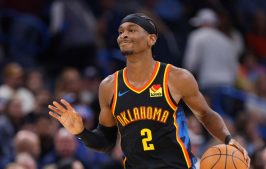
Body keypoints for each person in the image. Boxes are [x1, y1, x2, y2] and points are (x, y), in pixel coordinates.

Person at [48, 13, 250, 169]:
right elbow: (105, 142)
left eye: (132, 29)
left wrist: (228, 139)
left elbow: (205, 114)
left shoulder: (176, 77)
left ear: (151, 39)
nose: (124, 35)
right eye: (120, 31)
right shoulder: (109, 86)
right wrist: (80, 131)